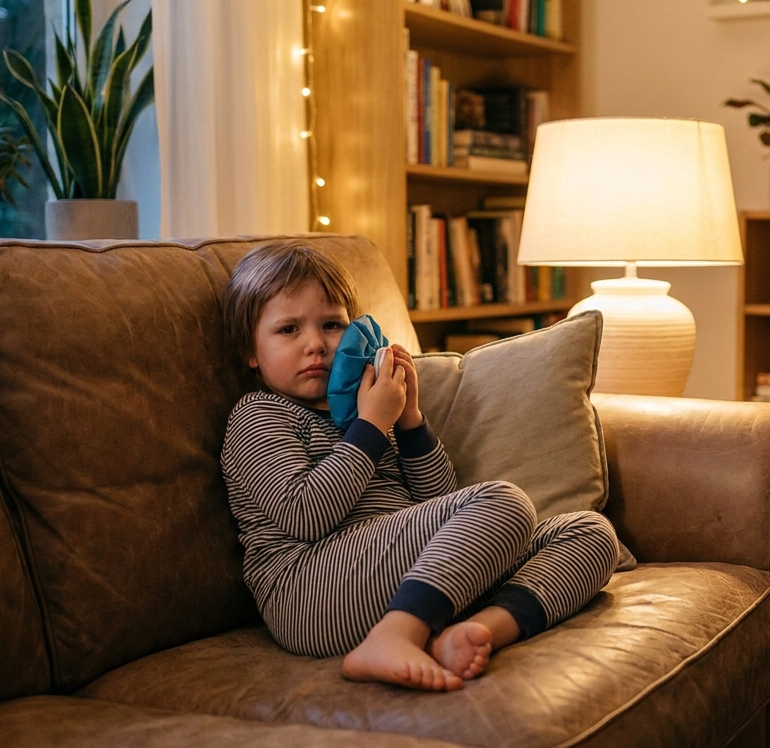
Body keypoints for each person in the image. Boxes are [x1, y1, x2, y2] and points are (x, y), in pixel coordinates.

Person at [220, 242, 620, 692]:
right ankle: (394, 636)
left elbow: (437, 502)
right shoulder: (259, 415)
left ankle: (474, 633)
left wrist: (408, 419)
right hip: (311, 592)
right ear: (251, 351)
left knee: (589, 532)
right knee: (502, 502)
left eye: (332, 325)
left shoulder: (368, 408)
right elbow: (306, 515)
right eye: (289, 330)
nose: (315, 344)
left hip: (407, 578)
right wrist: (373, 424)